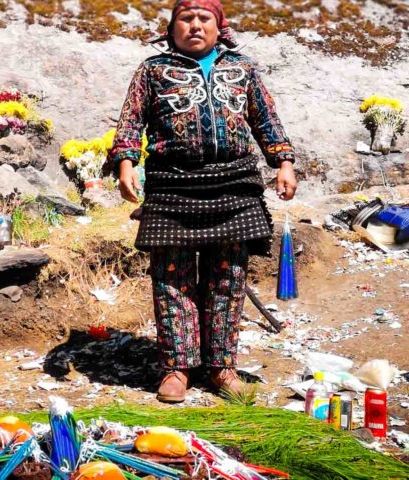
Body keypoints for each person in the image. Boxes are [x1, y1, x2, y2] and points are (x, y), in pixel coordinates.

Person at [108, 0, 297, 403]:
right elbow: (130, 120)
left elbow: (265, 119)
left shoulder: (242, 68)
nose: (195, 26)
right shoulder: (152, 71)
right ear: (172, 27)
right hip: (172, 186)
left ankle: (220, 367)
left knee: (228, 279)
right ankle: (177, 367)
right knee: (172, 280)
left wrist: (283, 161)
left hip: (234, 184)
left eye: (203, 19)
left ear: (218, 25)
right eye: (186, 19)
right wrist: (126, 162)